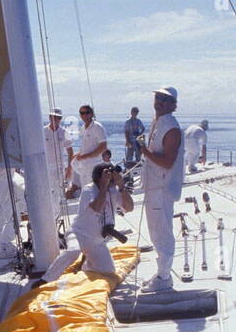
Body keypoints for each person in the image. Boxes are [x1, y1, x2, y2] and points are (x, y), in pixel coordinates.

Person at [138, 85, 184, 291]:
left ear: (173, 105)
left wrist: (144, 151)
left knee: (162, 232)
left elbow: (167, 162)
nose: (159, 102)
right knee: (155, 231)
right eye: (157, 98)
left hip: (162, 189)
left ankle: (164, 278)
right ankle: (161, 274)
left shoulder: (171, 127)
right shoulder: (158, 123)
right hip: (152, 187)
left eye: (164, 100)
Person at [73, 163, 134, 274]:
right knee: (70, 253)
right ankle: (47, 277)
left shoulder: (113, 190)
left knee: (108, 270)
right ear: (99, 178)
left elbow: (129, 208)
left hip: (98, 240)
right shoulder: (88, 190)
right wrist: (104, 187)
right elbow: (97, 207)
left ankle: (86, 262)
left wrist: (121, 186)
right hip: (82, 236)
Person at [71, 104, 108, 187]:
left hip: (94, 165)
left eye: (87, 112)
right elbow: (86, 146)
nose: (84, 115)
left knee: (94, 189)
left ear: (91, 114)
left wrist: (85, 156)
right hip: (84, 165)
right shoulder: (83, 128)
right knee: (85, 189)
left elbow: (103, 147)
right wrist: (78, 155)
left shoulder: (97, 127)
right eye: (82, 113)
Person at [43, 108, 74, 198]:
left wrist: (69, 169)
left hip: (59, 167)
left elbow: (70, 152)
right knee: (46, 192)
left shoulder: (65, 133)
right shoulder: (42, 132)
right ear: (50, 117)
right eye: (54, 117)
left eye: (59, 118)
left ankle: (57, 211)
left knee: (58, 192)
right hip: (46, 167)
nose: (56, 120)